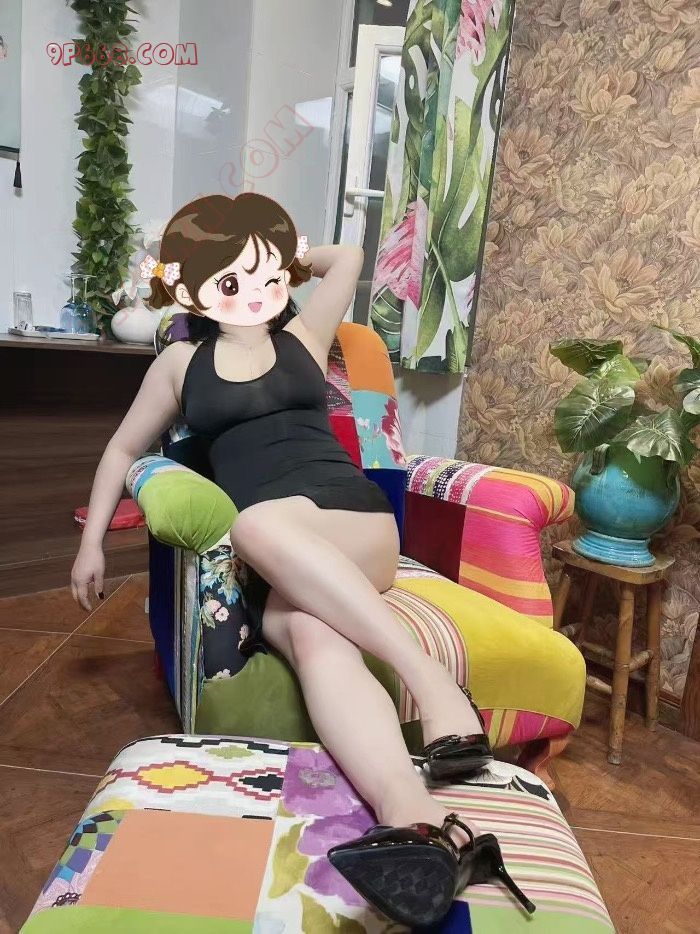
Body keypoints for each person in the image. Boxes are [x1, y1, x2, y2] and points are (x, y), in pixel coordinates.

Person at [71, 193, 534, 927]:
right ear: (190, 285)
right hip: (284, 563)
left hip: (352, 522)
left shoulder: (304, 336)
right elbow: (122, 448)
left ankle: (431, 682)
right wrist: (91, 540)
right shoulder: (179, 365)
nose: (250, 289)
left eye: (261, 272)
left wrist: (279, 253)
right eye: (228, 276)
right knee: (314, 635)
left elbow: (346, 257)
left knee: (254, 524)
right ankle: (420, 826)